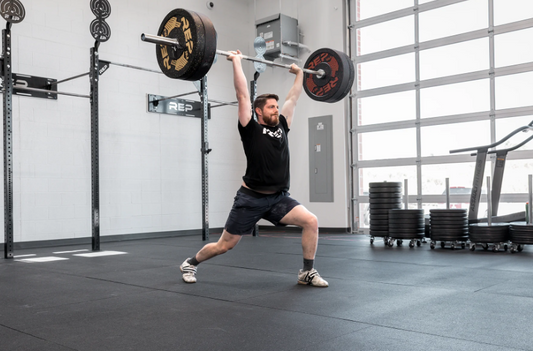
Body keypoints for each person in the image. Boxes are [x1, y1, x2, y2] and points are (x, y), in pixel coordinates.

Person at [179, 50, 328, 287]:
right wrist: (236, 62)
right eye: (271, 107)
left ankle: (306, 272)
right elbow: (242, 95)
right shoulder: (250, 128)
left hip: (278, 198)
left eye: (276, 106)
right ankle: (190, 263)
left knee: (311, 221)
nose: (276, 109)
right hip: (251, 199)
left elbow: (293, 98)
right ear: (259, 111)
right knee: (224, 245)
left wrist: (299, 74)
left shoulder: (282, 125)